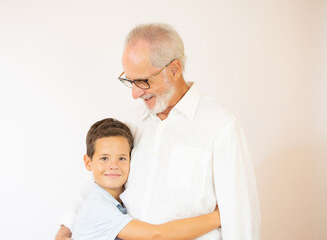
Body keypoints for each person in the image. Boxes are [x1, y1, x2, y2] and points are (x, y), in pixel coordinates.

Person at [56, 23, 260, 240]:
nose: (135, 94)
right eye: (130, 81)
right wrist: (67, 227)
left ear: (174, 69)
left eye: (142, 81)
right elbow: (102, 179)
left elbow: (240, 211)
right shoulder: (133, 122)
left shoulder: (220, 124)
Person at [73, 118, 221, 240]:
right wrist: (218, 217)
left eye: (122, 158)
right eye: (104, 158)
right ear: (88, 163)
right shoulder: (98, 208)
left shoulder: (120, 201)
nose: (113, 166)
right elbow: (157, 235)